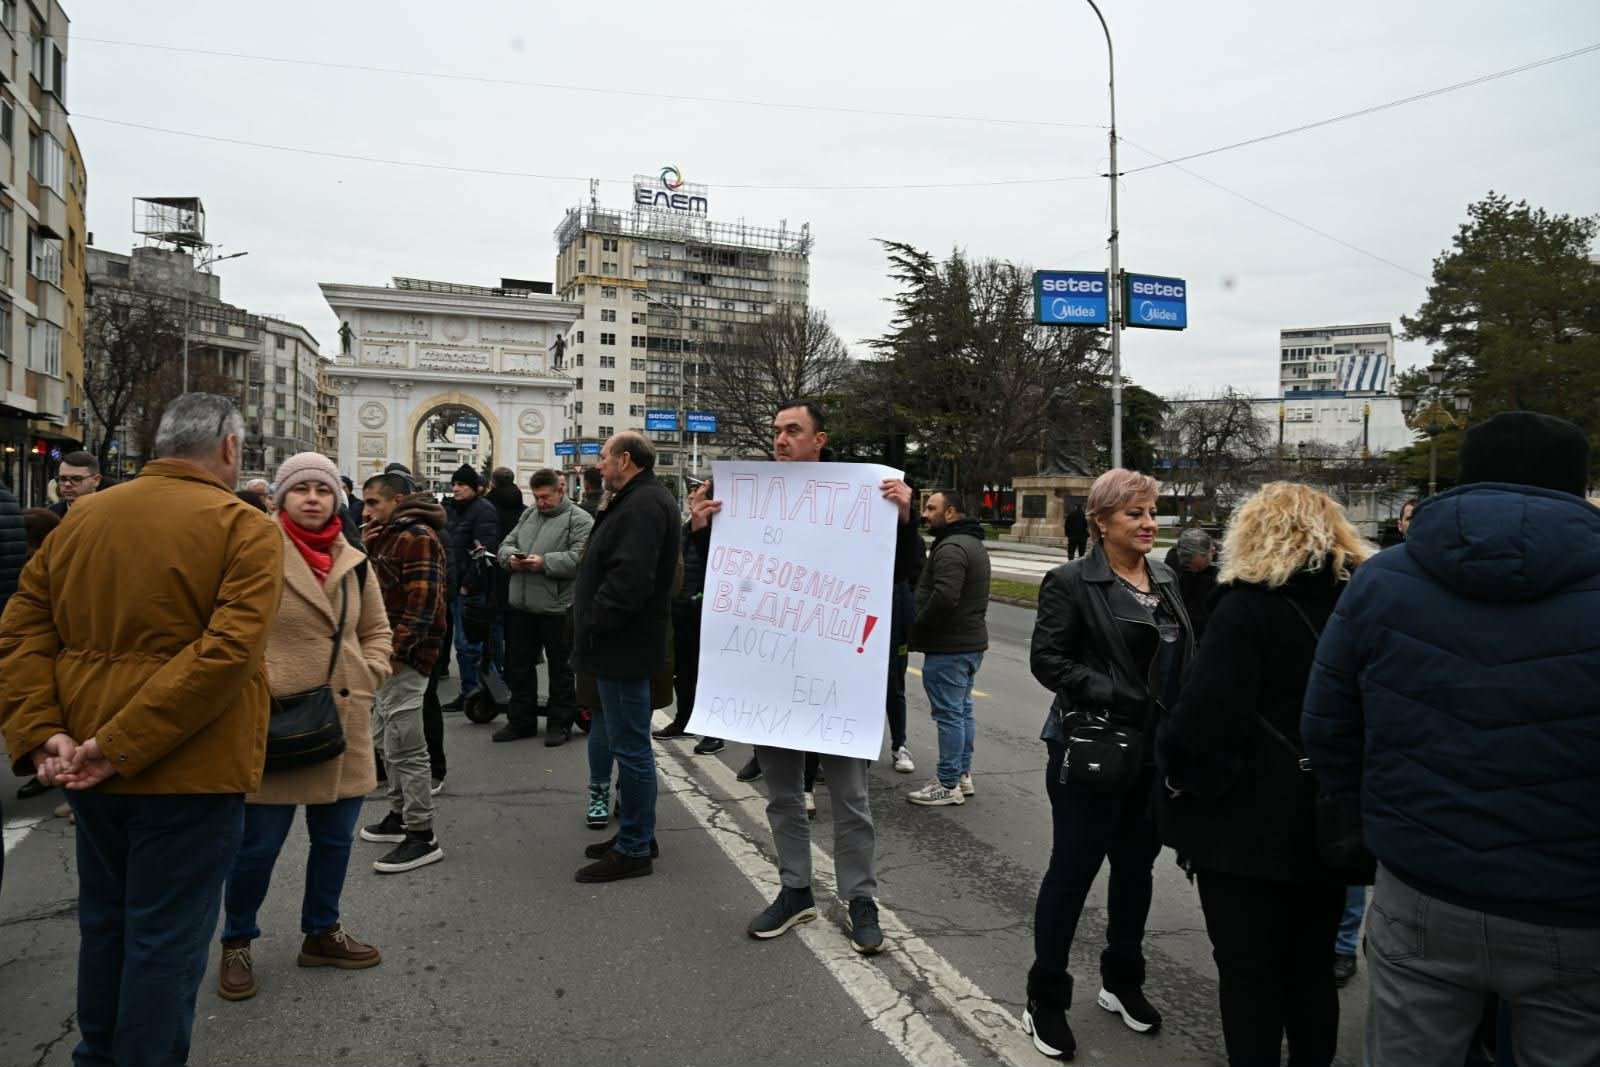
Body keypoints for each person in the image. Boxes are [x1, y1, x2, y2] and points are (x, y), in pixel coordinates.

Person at [1302, 411, 1600, 1067]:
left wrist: (1374, 818)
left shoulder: (1382, 580)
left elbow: (1326, 726)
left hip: (1421, 882)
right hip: (1577, 903)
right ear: (1578, 486)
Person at [0, 393, 283, 1067]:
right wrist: (120, 745)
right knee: (167, 940)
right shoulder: (243, 528)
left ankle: (96, 1055)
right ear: (229, 448)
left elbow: (23, 628)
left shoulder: (81, 518)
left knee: (105, 925)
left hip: (84, 760)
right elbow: (226, 655)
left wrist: (44, 732)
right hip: (190, 769)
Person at [690, 400, 922, 954]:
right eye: (776, 430)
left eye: (792, 430)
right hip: (772, 676)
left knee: (850, 799)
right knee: (783, 796)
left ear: (819, 439)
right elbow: (720, 578)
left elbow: (902, 573)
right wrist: (698, 531)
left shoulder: (862, 499)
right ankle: (796, 890)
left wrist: (906, 521)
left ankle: (860, 898)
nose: (780, 439)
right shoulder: (746, 499)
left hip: (836, 682)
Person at [1156, 483, 1373, 1067]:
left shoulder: (1244, 608)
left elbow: (1200, 723)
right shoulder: (1357, 604)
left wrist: (1180, 782)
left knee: (1249, 976)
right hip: (1329, 821)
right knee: (1311, 971)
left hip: (1243, 827)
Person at [1023, 468, 1195, 1061]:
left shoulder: (1166, 577)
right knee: (1072, 872)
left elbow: (1181, 660)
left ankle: (1122, 981)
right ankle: (1044, 999)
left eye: (1151, 512)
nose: (1149, 523)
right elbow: (1047, 660)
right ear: (1099, 522)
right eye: (1134, 514)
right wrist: (1118, 696)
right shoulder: (1071, 581)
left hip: (1150, 753)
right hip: (1092, 749)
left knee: (1135, 871)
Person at [216, 453, 394, 1001]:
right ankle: (236, 941)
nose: (313, 498)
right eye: (301, 488)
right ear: (279, 498)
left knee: (334, 840)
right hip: (276, 721)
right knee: (257, 847)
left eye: (322, 489)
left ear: (337, 499)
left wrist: (368, 674)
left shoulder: (353, 560)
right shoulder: (253, 553)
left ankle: (322, 931)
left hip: (341, 718)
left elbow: (377, 629)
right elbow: (223, 628)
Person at [569, 432, 678, 883]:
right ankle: (637, 834)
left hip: (623, 646)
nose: (599, 464)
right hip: (620, 645)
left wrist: (593, 621)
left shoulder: (643, 504)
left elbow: (629, 579)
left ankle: (634, 848)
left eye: (604, 457)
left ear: (625, 460)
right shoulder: (636, 499)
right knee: (626, 744)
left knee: (631, 750)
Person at [359, 471, 449, 873]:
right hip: (383, 653)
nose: (366, 511)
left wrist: (396, 652)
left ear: (396, 501)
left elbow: (424, 603)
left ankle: (422, 834)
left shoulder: (418, 537)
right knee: (385, 738)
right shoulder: (386, 533)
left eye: (373, 502)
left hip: (405, 657)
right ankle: (398, 817)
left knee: (407, 746)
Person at [906, 489, 990, 807]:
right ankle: (961, 776)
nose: (925, 514)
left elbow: (944, 596)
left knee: (950, 716)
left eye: (931, 508)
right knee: (962, 711)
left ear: (951, 513)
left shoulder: (951, 548)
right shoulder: (972, 543)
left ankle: (947, 783)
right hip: (968, 644)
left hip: (949, 647)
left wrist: (918, 625)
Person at [495, 468, 591, 745]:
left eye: (545, 497)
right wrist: (511, 559)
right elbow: (506, 545)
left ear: (561, 490)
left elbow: (580, 559)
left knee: (560, 669)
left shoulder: (580, 519)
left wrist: (544, 562)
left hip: (558, 608)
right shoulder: (529, 515)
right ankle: (520, 721)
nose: (540, 503)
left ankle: (559, 724)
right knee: (519, 666)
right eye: (536, 497)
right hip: (522, 605)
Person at [652, 478, 723, 755]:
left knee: (708, 675)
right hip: (682, 609)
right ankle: (685, 720)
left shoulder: (723, 532)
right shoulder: (687, 527)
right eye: (693, 495)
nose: (692, 499)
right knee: (683, 671)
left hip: (706, 611)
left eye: (698, 495)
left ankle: (714, 733)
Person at [441, 464, 501, 710]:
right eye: (454, 484)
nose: (456, 488)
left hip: (471, 589)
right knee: (465, 645)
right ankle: (475, 691)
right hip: (455, 585)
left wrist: (467, 585)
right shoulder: (454, 509)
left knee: (470, 645)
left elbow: (484, 552)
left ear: (475, 488)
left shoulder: (483, 510)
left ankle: (478, 693)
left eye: (462, 485)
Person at [1163, 528, 1220, 639]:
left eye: (1198, 568)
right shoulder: (1173, 557)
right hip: (1181, 625)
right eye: (1186, 567)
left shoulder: (1224, 567)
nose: (1192, 570)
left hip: (1209, 629)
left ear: (1212, 552)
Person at [48, 450, 103, 516]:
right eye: (63, 479)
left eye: (77, 479)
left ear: (96, 480)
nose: (67, 484)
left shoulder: (109, 512)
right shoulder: (51, 514)